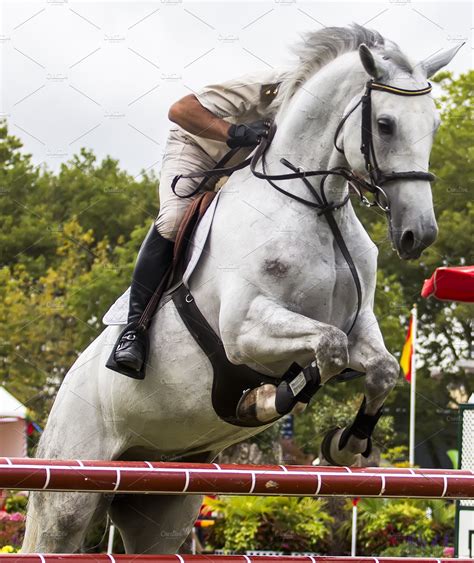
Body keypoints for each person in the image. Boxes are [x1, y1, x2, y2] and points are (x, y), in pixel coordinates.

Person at [111, 68, 291, 378]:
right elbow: (180, 110)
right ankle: (135, 330)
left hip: (243, 172)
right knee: (174, 220)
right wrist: (237, 133)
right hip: (196, 149)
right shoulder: (268, 88)